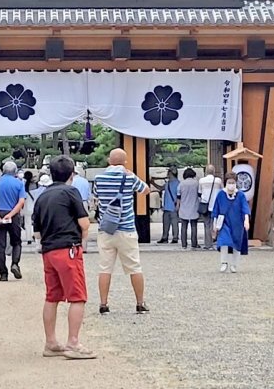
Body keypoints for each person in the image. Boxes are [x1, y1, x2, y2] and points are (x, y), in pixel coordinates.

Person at [32, 155, 94, 360]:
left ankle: (50, 342)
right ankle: (73, 343)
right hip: (68, 248)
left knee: (52, 296)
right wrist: (82, 239)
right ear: (71, 173)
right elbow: (84, 223)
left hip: (48, 250)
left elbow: (37, 232)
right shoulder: (71, 192)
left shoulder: (42, 196)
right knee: (77, 297)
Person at [93, 148, 150, 314]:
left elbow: (96, 196)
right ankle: (140, 303)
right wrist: (130, 174)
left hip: (106, 229)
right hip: (126, 229)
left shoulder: (99, 178)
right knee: (134, 267)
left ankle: (103, 304)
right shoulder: (129, 177)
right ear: (125, 162)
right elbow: (145, 190)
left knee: (105, 268)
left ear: (109, 161)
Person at [0, 160, 26, 282]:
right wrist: (10, 214)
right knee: (16, 242)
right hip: (13, 215)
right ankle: (15, 263)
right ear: (15, 171)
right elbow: (21, 202)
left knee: (0, 245)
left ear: (3, 170)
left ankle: (3, 274)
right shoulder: (19, 183)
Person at [212, 172, 251, 273]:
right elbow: (216, 209)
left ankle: (234, 265)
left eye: (233, 182)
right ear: (226, 182)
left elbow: (245, 209)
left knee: (236, 244)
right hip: (225, 222)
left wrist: (246, 221)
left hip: (237, 224)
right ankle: (224, 262)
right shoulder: (221, 194)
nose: (231, 185)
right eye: (229, 182)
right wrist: (215, 224)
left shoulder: (240, 195)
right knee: (224, 241)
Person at [197, 165, 223, 250]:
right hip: (216, 205)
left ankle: (208, 244)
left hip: (205, 205)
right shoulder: (218, 181)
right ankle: (218, 242)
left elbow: (199, 193)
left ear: (206, 171)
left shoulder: (201, 181)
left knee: (207, 225)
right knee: (216, 224)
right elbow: (222, 191)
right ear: (214, 171)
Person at [176, 168, 200, 250]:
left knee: (184, 226)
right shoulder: (196, 183)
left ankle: (184, 244)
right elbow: (199, 195)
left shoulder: (181, 184)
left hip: (183, 207)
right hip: (194, 206)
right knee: (194, 226)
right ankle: (194, 243)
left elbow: (178, 196)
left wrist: (177, 206)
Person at [155, 166, 179, 244]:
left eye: (168, 172)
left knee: (171, 223)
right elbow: (161, 188)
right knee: (169, 223)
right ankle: (167, 237)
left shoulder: (177, 183)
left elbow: (179, 196)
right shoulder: (170, 183)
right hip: (168, 207)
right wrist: (152, 183)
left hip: (172, 206)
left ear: (171, 173)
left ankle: (172, 237)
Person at [22, 170, 39, 244]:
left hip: (27, 207)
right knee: (36, 222)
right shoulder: (36, 185)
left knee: (27, 223)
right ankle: (35, 236)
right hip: (35, 206)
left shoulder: (25, 185)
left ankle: (28, 238)